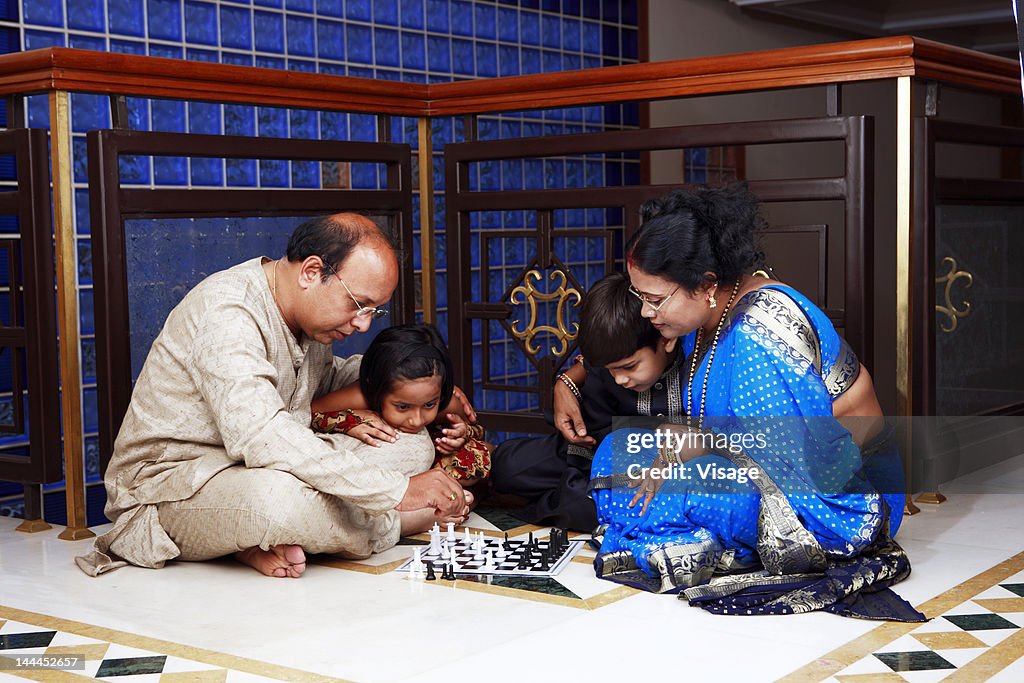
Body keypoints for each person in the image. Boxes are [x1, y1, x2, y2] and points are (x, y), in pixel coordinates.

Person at [587, 184, 918, 620]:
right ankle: (676, 534)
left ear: (704, 285)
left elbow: (793, 462)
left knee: (695, 490)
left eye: (653, 299)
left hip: (842, 494)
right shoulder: (706, 317)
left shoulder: (755, 334)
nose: (646, 314)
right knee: (616, 451)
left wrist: (693, 455)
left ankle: (666, 531)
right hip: (764, 466)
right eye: (640, 298)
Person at [77, 214, 469, 579]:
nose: (363, 322)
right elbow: (261, 434)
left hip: (263, 466)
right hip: (174, 488)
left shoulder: (310, 320)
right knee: (278, 502)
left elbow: (327, 380)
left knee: (411, 444)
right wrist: (399, 495)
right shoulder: (227, 312)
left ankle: (254, 541)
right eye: (357, 304)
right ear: (312, 272)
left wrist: (416, 383)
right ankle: (397, 523)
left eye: (373, 311)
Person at [490, 271, 684, 531]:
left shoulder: (693, 365)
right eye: (611, 370)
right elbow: (592, 433)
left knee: (583, 506)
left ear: (665, 338)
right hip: (588, 453)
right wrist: (567, 384)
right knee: (507, 468)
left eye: (629, 367)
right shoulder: (608, 362)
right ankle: (562, 495)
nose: (619, 380)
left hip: (650, 468)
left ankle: (558, 499)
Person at [309, 323, 492, 506]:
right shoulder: (360, 397)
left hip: (430, 456)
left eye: (429, 404)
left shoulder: (447, 404)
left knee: (473, 457)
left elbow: (472, 427)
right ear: (377, 389)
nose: (417, 420)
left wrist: (459, 434)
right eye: (403, 407)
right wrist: (351, 419)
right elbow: (308, 412)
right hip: (383, 468)